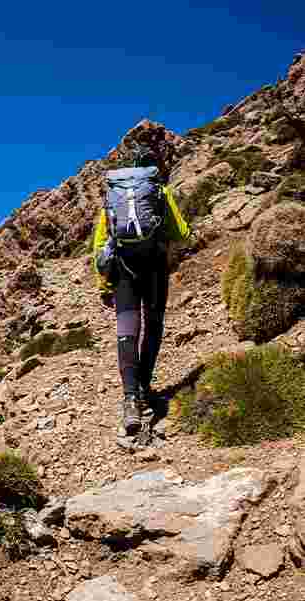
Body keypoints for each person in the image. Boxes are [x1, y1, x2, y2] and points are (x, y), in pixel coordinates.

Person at [91, 144, 191, 436]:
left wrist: (103, 284)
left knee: (126, 332)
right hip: (155, 269)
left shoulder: (113, 196)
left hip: (123, 270)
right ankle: (145, 386)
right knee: (154, 325)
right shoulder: (160, 191)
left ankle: (130, 400)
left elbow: (100, 243)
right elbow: (181, 232)